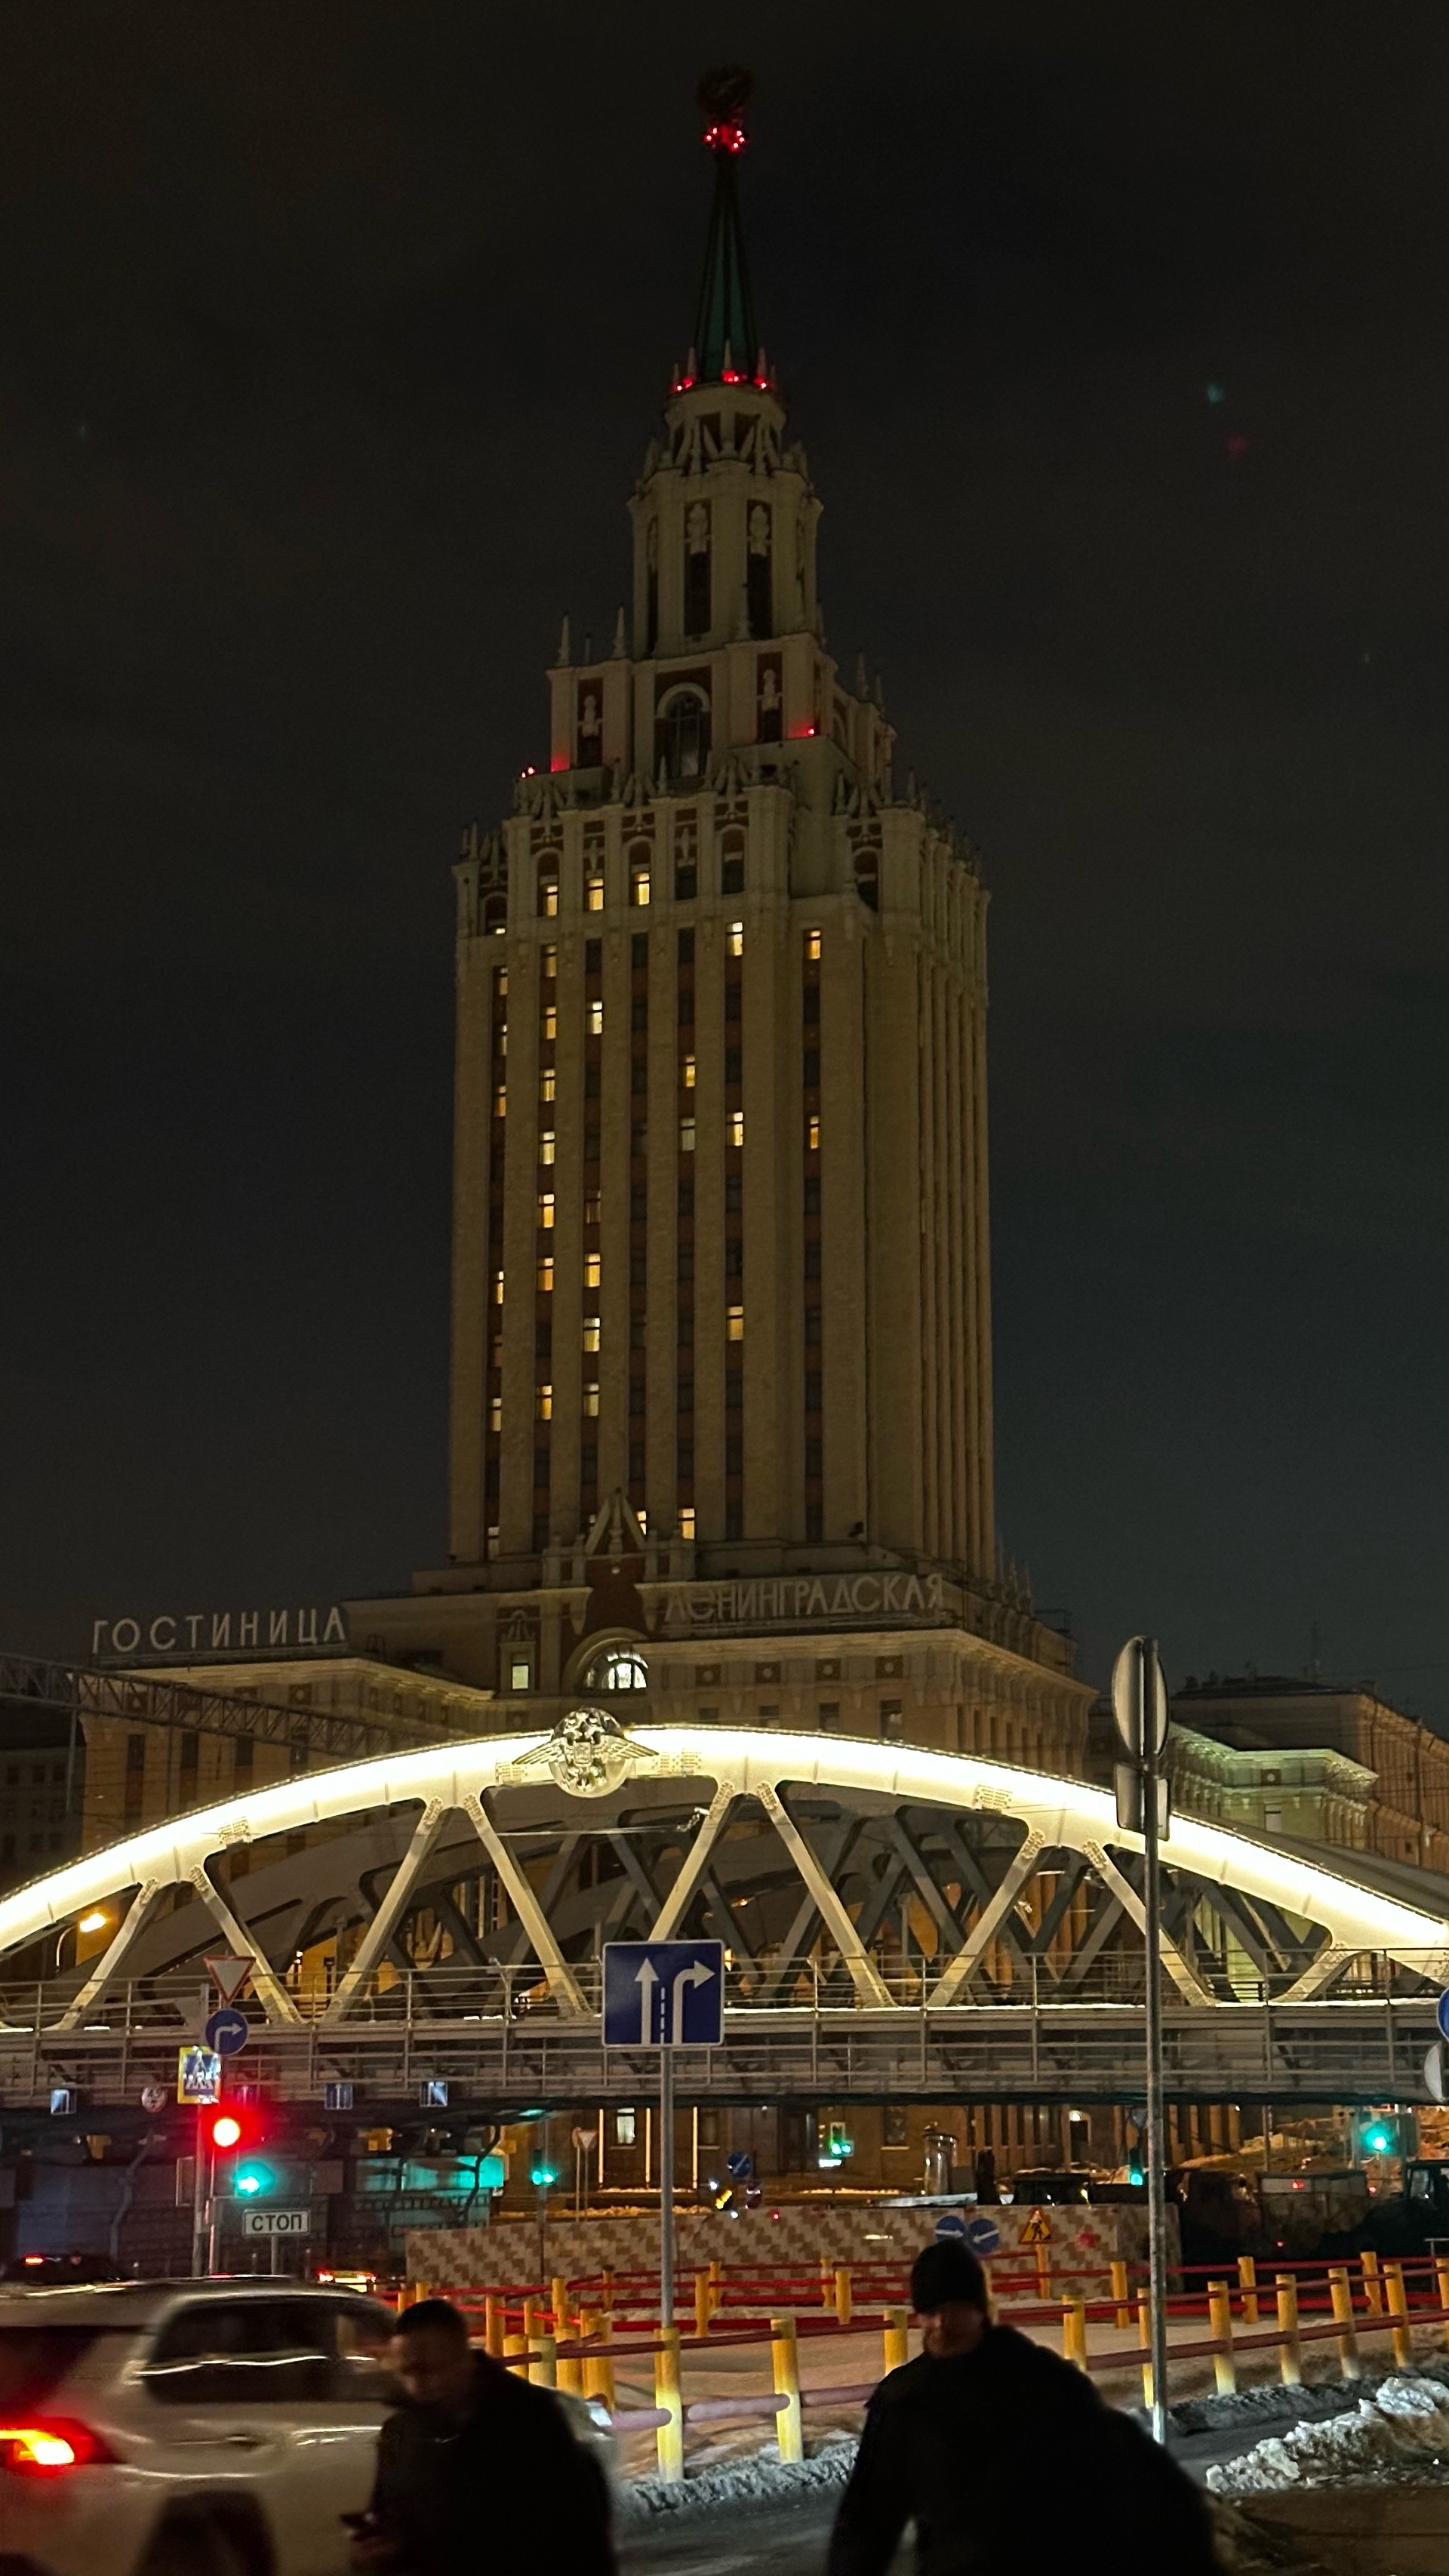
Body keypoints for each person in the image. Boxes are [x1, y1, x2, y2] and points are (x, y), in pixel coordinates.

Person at [827, 2239, 1217, 2576]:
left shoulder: (1041, 2381)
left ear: (980, 2311)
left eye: (954, 2310)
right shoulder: (905, 2401)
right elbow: (869, 2517)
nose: (941, 2324)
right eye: (929, 2312)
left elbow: (1121, 2475)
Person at [349, 2295, 616, 2576]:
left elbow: (581, 2536)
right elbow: (388, 2524)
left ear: (464, 2358)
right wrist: (371, 2556)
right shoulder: (400, 2436)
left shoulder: (530, 2421)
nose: (419, 2385)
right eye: (408, 2372)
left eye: (430, 2369)